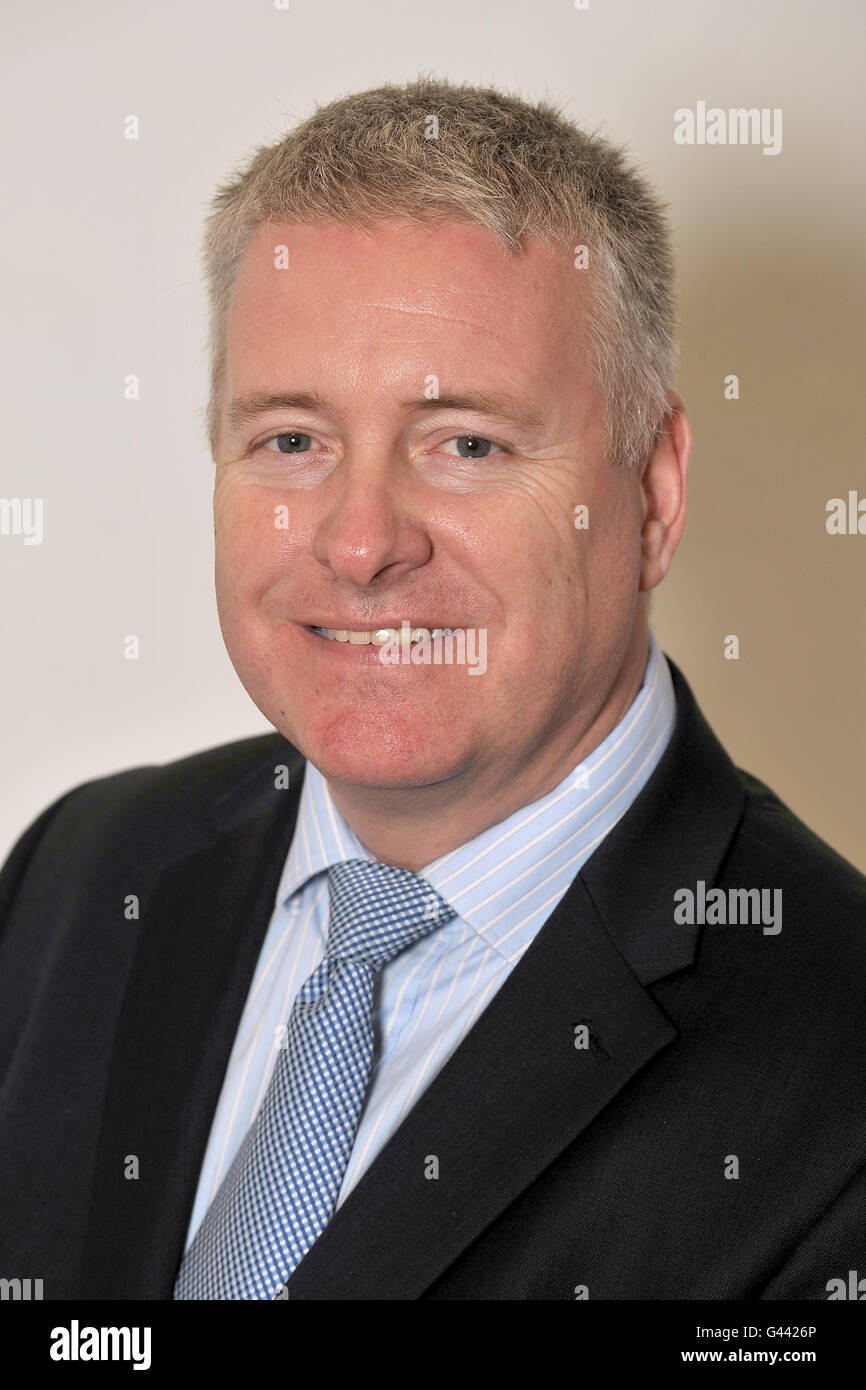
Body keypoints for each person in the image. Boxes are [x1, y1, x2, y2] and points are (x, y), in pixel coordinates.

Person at [1, 77, 864, 1302]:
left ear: (651, 497)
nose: (359, 544)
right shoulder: (83, 873)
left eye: (465, 443)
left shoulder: (835, 1088)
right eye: (291, 439)